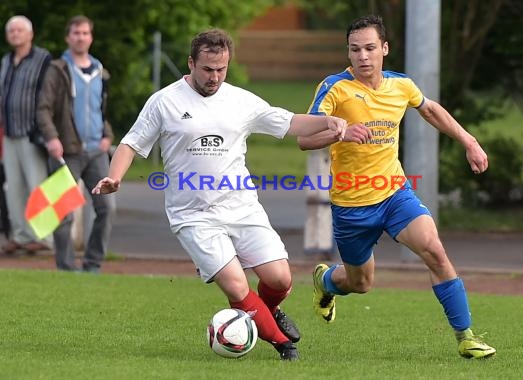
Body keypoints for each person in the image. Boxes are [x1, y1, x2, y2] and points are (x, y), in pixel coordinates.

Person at [92, 28, 348, 360]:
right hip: (194, 216)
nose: (215, 77)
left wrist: (330, 122)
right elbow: (131, 143)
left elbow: (288, 123)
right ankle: (283, 345)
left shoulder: (240, 100)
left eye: (221, 70)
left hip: (242, 207)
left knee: (280, 278)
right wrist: (114, 176)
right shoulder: (165, 101)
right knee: (236, 285)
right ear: (191, 63)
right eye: (207, 69)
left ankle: (265, 314)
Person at [298, 15, 497, 359]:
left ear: (384, 49)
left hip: (394, 194)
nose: (363, 56)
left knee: (434, 251)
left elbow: (430, 109)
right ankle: (326, 281)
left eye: (370, 48)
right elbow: (303, 138)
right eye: (355, 49)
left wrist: (469, 141)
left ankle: (466, 337)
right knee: (360, 284)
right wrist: (340, 131)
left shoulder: (400, 85)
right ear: (348, 52)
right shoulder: (334, 88)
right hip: (351, 205)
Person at [36, 15, 114, 272]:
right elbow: (43, 109)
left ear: (91, 37)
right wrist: (52, 138)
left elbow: (102, 109)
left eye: (85, 33)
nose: (81, 37)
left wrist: (108, 136)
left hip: (96, 152)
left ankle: (92, 265)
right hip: (66, 151)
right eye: (76, 33)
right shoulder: (57, 69)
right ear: (68, 37)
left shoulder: (100, 70)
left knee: (107, 207)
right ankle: (66, 267)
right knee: (63, 213)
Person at [0, 15, 51, 255]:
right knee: (14, 188)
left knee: (38, 187)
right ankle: (20, 236)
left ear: (30, 34)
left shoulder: (43, 59)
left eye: (20, 30)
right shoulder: (6, 60)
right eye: (11, 31)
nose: (15, 34)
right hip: (9, 133)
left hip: (33, 134)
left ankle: (45, 238)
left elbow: (47, 96)